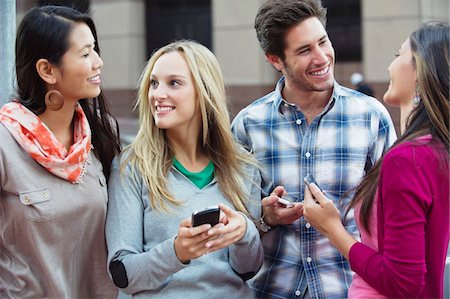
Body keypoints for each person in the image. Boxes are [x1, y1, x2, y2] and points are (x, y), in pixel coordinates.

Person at [231, 0, 397, 298]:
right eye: (305, 50)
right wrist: (263, 218)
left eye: (323, 42)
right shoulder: (248, 125)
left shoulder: (371, 117)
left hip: (348, 289)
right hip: (272, 289)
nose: (322, 58)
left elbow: (394, 218)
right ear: (275, 60)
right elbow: (235, 225)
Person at [105, 40, 264, 298]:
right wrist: (177, 251)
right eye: (154, 83)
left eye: (174, 83)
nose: (157, 94)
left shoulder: (243, 166)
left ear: (204, 91)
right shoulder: (130, 166)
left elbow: (248, 270)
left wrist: (244, 232)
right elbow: (122, 273)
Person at [303, 22, 449, 298]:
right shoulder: (436, 151)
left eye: (398, 55)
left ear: (419, 70)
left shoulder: (408, 159)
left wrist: (332, 229)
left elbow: (403, 283)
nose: (390, 66)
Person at [0, 5, 121, 298]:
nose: (98, 63)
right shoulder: (5, 143)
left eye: (95, 50)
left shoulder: (102, 133)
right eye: (85, 54)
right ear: (46, 70)